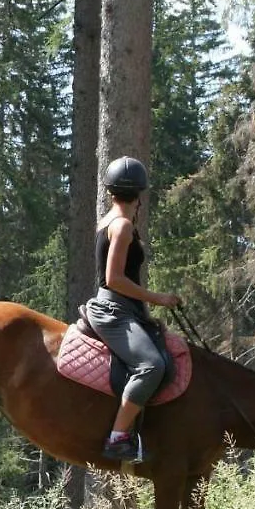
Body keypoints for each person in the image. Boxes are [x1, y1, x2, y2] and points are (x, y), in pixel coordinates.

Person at [85, 156, 182, 461]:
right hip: (113, 311)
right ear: (140, 194)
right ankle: (118, 437)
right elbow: (114, 279)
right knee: (151, 365)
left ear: (111, 191)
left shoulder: (106, 220)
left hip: (123, 309)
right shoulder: (123, 226)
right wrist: (159, 298)